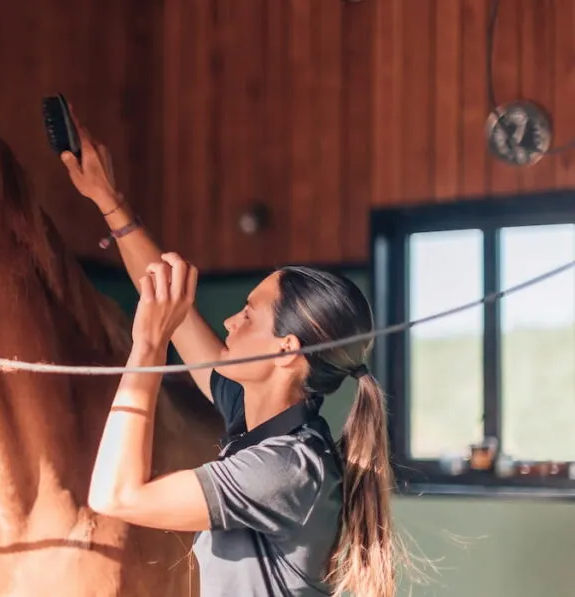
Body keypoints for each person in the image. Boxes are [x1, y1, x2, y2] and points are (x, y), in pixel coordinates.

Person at [59, 111, 402, 597]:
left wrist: (148, 346)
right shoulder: (259, 422)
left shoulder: (285, 468)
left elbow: (115, 495)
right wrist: (109, 202)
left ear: (287, 351)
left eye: (247, 313)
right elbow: (172, 306)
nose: (229, 323)